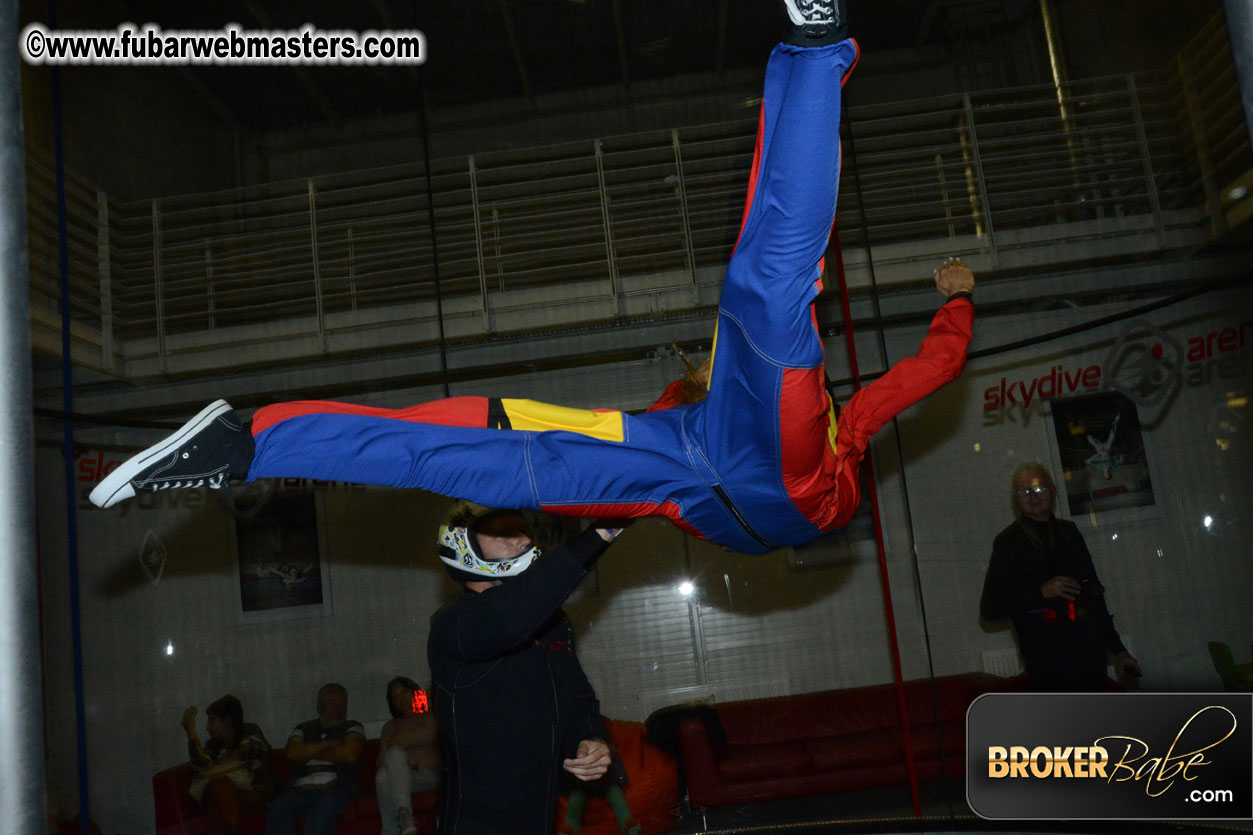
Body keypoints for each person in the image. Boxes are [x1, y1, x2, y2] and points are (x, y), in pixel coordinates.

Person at [89, 0, 974, 556]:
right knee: (483, 447)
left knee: (761, 291)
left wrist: (955, 306)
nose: (702, 363)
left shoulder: (830, 427)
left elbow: (920, 374)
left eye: (700, 366)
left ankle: (817, 43)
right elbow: (583, 449)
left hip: (784, 487)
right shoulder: (690, 407)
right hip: (687, 478)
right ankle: (250, 442)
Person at [428, 501, 623, 834]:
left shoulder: (552, 624)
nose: (522, 541)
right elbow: (510, 620)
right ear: (463, 545)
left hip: (538, 819)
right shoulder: (453, 625)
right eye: (504, 533)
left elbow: (577, 695)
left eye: (521, 530)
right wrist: (603, 530)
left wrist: (592, 739)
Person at [980, 463, 1143, 691]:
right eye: (1025, 491)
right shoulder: (1007, 542)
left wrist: (1119, 651)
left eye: (1039, 489)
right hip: (1046, 663)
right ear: (1015, 499)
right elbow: (990, 609)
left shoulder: (1069, 532)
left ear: (1053, 492)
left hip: (1089, 653)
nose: (1033, 496)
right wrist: (1041, 593)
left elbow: (1093, 595)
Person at [266, 683, 365, 835]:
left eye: (342, 704)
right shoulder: (303, 728)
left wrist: (307, 751)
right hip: (301, 787)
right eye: (333, 702)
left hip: (336, 786)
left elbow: (349, 754)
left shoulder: (352, 726)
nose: (339, 708)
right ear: (319, 706)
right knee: (277, 808)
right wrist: (329, 744)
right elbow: (292, 753)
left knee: (325, 808)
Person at [183, 695, 274, 835]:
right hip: (221, 793)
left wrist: (220, 764)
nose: (207, 727)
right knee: (218, 789)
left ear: (228, 721)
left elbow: (252, 750)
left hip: (252, 791)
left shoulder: (250, 732)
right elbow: (199, 763)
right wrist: (190, 730)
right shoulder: (213, 746)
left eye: (212, 721)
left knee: (217, 798)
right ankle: (235, 830)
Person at [376, 676, 442, 835]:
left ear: (415, 692)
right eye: (395, 697)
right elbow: (381, 761)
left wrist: (399, 743)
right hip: (398, 774)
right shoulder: (390, 726)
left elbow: (431, 734)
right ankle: (405, 819)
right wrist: (400, 762)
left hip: (426, 774)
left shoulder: (428, 714)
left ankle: (390, 830)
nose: (401, 698)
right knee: (383, 775)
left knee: (392, 758)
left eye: (405, 692)